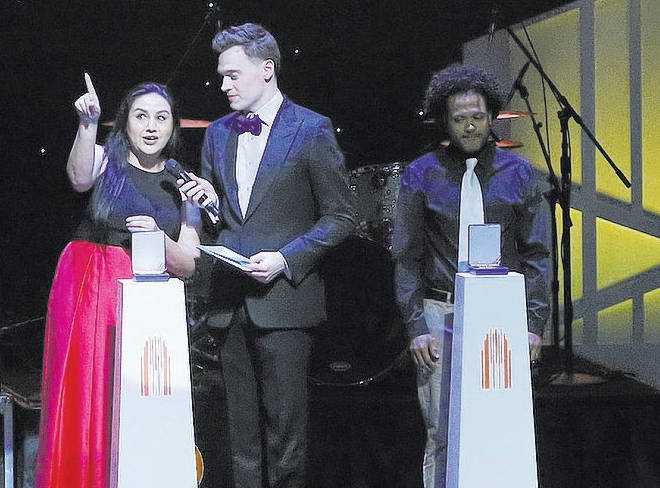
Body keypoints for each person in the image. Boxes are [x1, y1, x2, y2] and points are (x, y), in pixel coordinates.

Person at [178, 23, 356, 488]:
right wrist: (209, 206)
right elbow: (225, 219)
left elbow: (341, 216)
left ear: (267, 69)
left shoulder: (311, 129)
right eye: (221, 76)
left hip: (284, 301)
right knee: (240, 435)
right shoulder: (217, 134)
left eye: (233, 75)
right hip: (229, 302)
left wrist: (286, 258)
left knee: (285, 434)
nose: (223, 85)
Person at [35, 74, 201, 488]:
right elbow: (78, 178)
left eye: (161, 117)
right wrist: (88, 123)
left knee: (137, 401)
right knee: (86, 390)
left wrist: (159, 239)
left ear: (173, 125)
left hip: (150, 303)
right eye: (141, 116)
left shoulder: (184, 183)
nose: (151, 126)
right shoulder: (105, 157)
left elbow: (188, 264)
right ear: (125, 121)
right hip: (90, 286)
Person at [391, 65, 550, 488]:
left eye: (477, 116)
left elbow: (537, 254)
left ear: (492, 116)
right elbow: (406, 256)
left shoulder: (519, 174)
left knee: (502, 425)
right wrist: (415, 326)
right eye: (459, 118)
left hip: (501, 318)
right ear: (444, 121)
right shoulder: (421, 174)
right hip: (441, 313)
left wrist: (533, 324)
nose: (470, 126)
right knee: (442, 431)